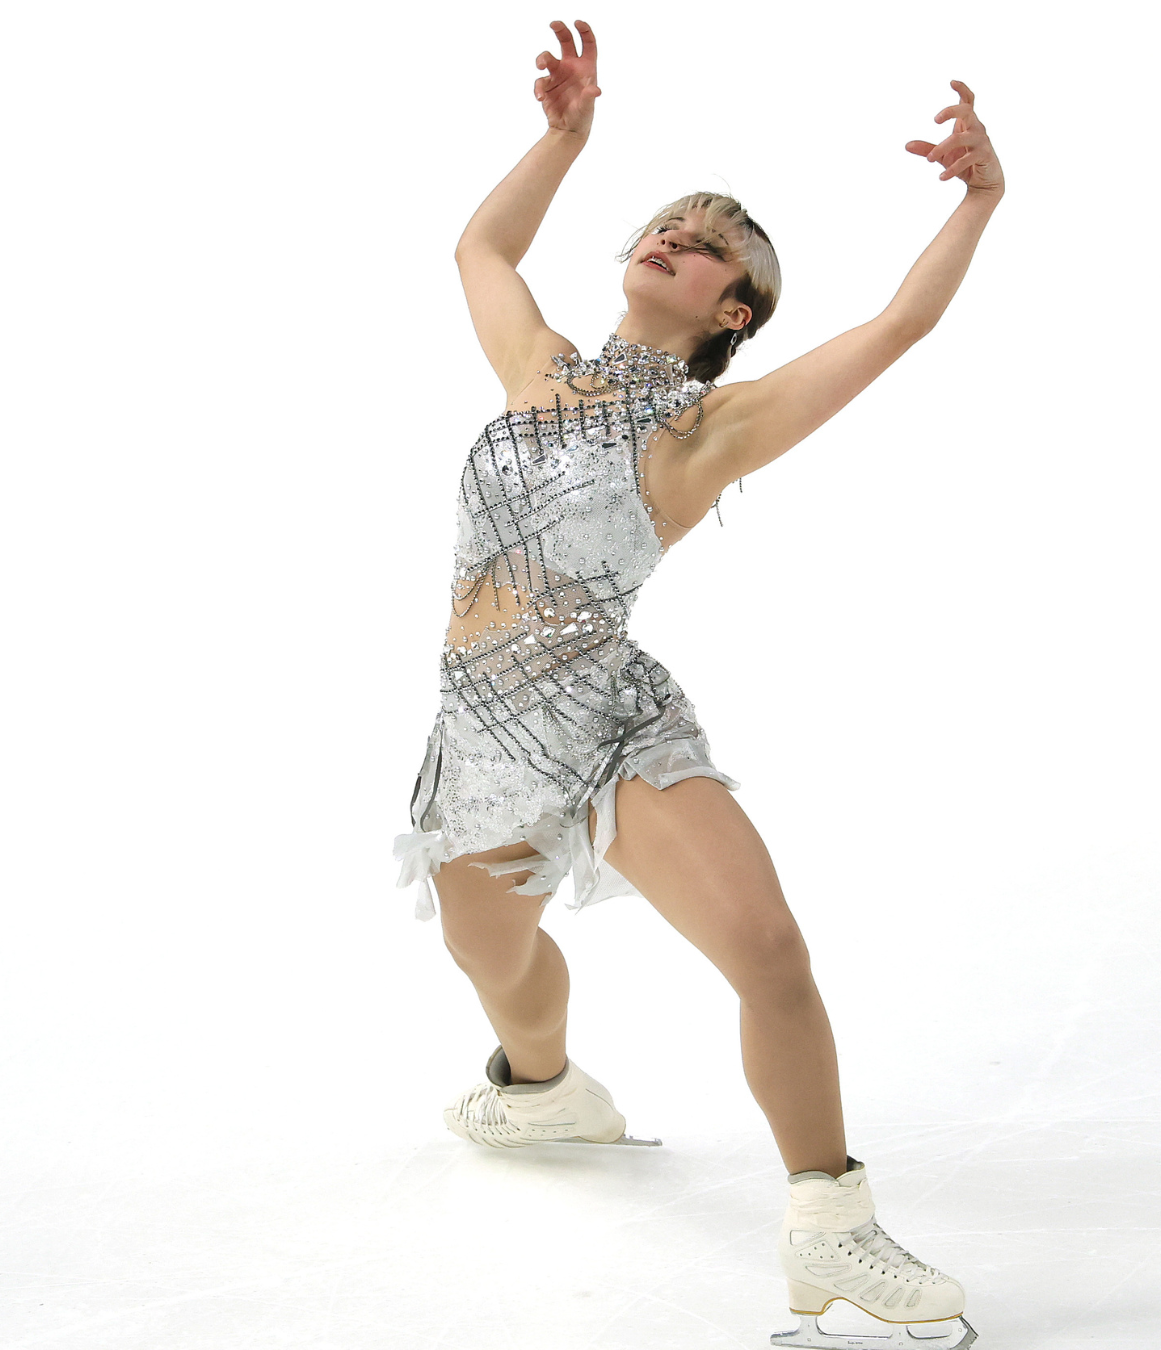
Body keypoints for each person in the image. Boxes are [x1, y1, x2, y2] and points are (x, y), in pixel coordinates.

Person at [391, 19, 1004, 1349]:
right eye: (668, 219)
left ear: (735, 309)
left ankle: (831, 1219)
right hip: (482, 742)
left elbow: (901, 322)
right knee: (498, 968)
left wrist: (982, 196)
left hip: (612, 724)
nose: (677, 231)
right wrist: (566, 139)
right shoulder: (537, 365)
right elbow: (479, 250)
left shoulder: (712, 428)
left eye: (714, 239)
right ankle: (544, 1087)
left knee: (769, 948)